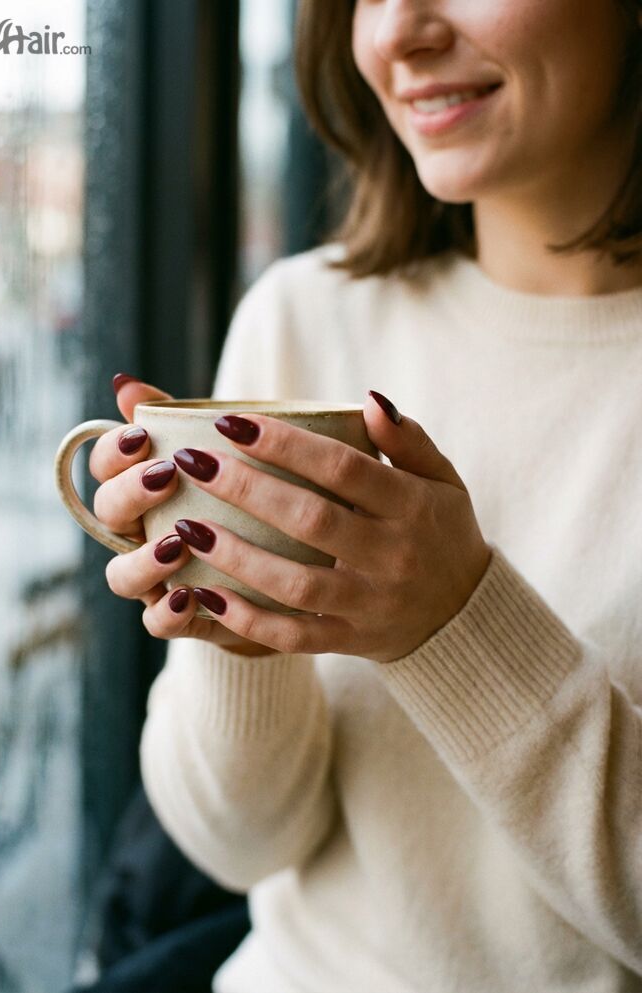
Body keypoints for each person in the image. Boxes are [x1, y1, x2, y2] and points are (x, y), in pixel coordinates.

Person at [87, 0, 642, 989]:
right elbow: (241, 850)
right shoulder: (304, 319)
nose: (394, 35)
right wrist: (238, 635)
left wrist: (456, 625)